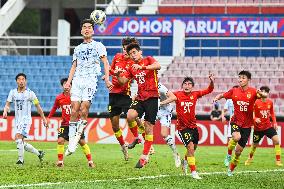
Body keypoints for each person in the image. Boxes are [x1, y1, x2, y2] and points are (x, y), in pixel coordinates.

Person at [64, 18, 113, 155]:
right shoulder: (77, 48)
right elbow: (74, 66)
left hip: (90, 80)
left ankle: (75, 139)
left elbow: (105, 63)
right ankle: (72, 142)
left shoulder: (98, 46)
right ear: (81, 31)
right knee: (74, 110)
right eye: (84, 27)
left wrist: (107, 79)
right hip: (78, 80)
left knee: (84, 110)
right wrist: (68, 82)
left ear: (93, 30)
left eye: (89, 27)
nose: (87, 29)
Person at [115, 42, 161, 168]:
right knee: (130, 115)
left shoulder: (148, 59)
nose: (133, 55)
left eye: (134, 52)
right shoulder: (131, 68)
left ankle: (144, 157)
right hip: (140, 97)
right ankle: (138, 137)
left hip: (153, 97)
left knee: (148, 126)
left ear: (140, 52)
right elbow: (123, 81)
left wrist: (143, 68)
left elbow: (158, 66)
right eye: (130, 54)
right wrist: (117, 75)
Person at [213, 70, 267, 176]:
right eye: (239, 77)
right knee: (236, 137)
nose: (240, 79)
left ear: (248, 80)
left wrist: (262, 93)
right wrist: (217, 97)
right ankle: (228, 155)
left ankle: (231, 169)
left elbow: (264, 96)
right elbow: (223, 95)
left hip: (247, 125)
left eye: (243, 77)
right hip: (235, 121)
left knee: (238, 152)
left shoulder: (253, 91)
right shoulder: (234, 91)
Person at [160, 74, 214, 179]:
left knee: (192, 149)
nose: (187, 85)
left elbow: (209, 90)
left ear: (192, 86)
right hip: (182, 128)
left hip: (193, 127)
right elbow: (165, 94)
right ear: (182, 85)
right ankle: (194, 172)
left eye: (189, 84)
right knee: (190, 147)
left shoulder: (196, 94)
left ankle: (185, 161)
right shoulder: (177, 95)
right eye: (185, 84)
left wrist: (211, 82)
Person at [47, 78, 94, 168]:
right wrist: (48, 118)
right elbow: (54, 108)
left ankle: (90, 161)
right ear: (62, 86)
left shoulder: (76, 98)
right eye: (65, 84)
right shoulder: (59, 98)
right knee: (60, 140)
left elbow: (83, 108)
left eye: (68, 84)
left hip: (75, 124)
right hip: (64, 124)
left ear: (72, 86)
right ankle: (60, 161)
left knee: (82, 141)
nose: (67, 86)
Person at [2, 73, 48, 165]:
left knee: (18, 137)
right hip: (17, 121)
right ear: (16, 81)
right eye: (19, 79)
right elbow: (7, 104)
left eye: (23, 79)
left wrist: (44, 119)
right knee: (20, 141)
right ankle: (39, 153)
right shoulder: (12, 92)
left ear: (25, 81)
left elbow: (38, 106)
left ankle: (20, 161)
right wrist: (5, 111)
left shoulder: (30, 93)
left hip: (26, 120)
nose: (21, 81)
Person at [108, 37, 139, 161]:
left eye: (128, 48)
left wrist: (118, 75)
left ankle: (139, 138)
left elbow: (127, 80)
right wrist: (111, 74)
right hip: (113, 94)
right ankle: (123, 147)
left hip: (125, 93)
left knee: (132, 116)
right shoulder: (117, 57)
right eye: (124, 47)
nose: (125, 50)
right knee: (115, 126)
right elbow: (110, 70)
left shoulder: (133, 62)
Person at [244, 86, 282, 166]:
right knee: (254, 145)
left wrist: (274, 122)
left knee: (277, 141)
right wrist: (255, 119)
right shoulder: (256, 102)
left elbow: (272, 113)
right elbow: (250, 112)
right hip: (258, 128)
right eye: (263, 91)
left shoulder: (270, 102)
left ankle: (278, 160)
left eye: (266, 92)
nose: (265, 93)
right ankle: (250, 158)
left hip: (268, 126)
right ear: (260, 93)